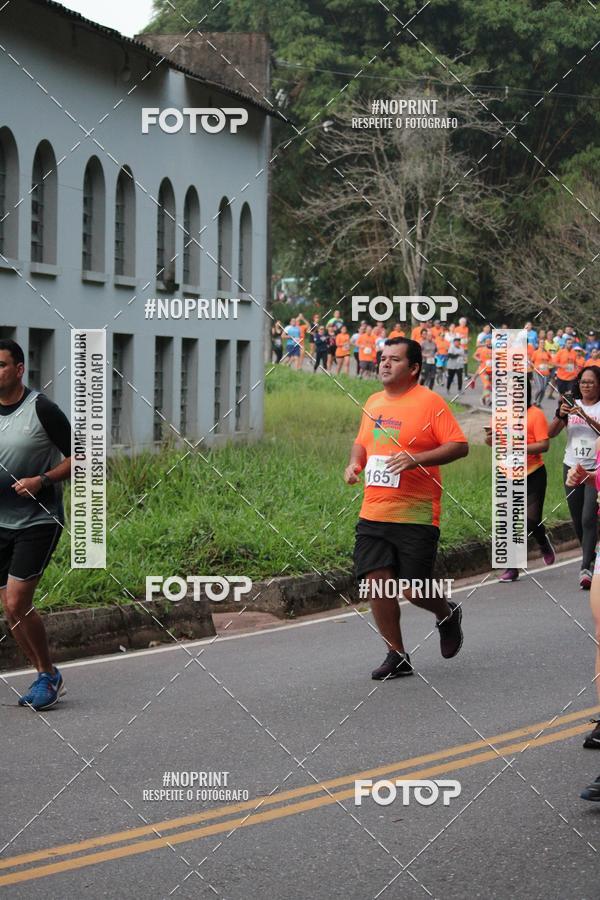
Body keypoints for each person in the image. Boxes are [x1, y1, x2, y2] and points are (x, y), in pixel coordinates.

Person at [344, 337, 469, 680]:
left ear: (413, 368)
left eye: (394, 359)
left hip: (416, 512)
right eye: (383, 358)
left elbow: (459, 446)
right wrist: (354, 464)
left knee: (414, 589)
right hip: (373, 511)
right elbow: (361, 443)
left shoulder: (430, 403)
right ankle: (396, 655)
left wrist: (417, 459)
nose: (384, 363)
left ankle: (446, 613)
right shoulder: (372, 401)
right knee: (377, 584)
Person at [0, 339, 72, 710]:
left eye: (0, 364)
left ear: (19, 369)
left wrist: (41, 480)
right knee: (10, 610)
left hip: (37, 520)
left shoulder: (41, 409)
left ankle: (47, 673)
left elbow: (82, 456)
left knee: (17, 600)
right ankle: (45, 675)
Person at [485, 381, 555, 582]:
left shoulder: (535, 414)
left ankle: (542, 540)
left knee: (530, 521)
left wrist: (519, 448)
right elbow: (490, 442)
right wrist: (491, 438)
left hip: (532, 473)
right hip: (505, 473)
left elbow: (544, 445)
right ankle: (512, 567)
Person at [548, 366, 600, 589]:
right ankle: (591, 556)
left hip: (596, 469)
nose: (585, 386)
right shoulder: (570, 405)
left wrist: (586, 417)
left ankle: (585, 566)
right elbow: (550, 433)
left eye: (590, 382)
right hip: (572, 467)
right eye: (582, 382)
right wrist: (561, 414)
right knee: (578, 519)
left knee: (590, 517)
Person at [531, 341, 553, 406]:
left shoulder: (547, 353)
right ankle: (534, 400)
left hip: (546, 373)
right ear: (539, 344)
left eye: (543, 343)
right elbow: (531, 362)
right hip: (537, 372)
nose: (542, 344)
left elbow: (551, 361)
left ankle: (539, 403)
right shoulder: (535, 352)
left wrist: (549, 366)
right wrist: (535, 367)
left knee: (543, 389)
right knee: (540, 388)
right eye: (541, 343)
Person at [474, 336, 493, 406]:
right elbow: (475, 356)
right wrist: (478, 359)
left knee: (489, 387)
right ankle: (488, 400)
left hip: (491, 371)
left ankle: (482, 398)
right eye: (487, 341)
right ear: (485, 342)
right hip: (483, 370)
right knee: (487, 385)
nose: (488, 342)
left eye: (490, 341)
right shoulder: (481, 348)